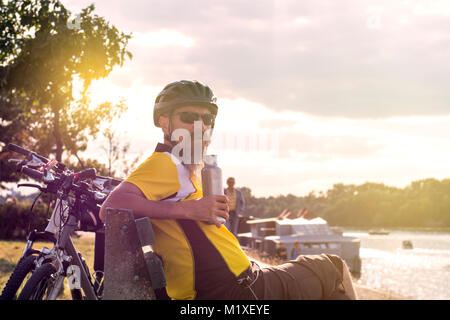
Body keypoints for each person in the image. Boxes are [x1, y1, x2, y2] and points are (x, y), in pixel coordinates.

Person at [99, 80, 357, 300]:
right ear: (164, 123)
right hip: (236, 290)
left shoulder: (184, 167)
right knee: (333, 269)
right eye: (189, 117)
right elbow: (111, 206)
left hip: (232, 283)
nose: (201, 126)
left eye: (207, 119)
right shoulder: (167, 162)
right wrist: (187, 209)